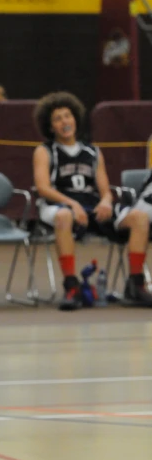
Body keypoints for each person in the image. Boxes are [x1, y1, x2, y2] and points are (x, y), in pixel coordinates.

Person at [33, 91, 152, 310]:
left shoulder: (93, 151)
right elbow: (43, 188)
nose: (64, 122)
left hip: (92, 205)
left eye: (67, 116)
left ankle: (136, 284)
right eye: (58, 119)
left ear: (75, 119)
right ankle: (71, 286)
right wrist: (72, 203)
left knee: (140, 217)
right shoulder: (44, 151)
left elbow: (105, 190)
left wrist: (106, 202)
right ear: (51, 127)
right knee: (63, 216)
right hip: (58, 206)